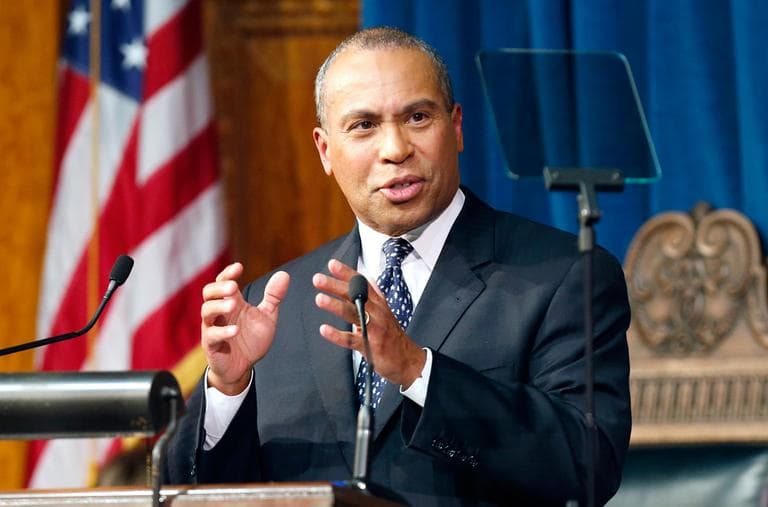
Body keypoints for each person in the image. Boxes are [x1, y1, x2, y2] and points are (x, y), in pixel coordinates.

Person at [165, 27, 631, 506]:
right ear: (325, 150)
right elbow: (207, 495)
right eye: (364, 125)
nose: (395, 148)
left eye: (417, 116)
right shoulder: (278, 304)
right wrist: (228, 389)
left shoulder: (561, 275)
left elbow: (588, 462)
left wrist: (417, 370)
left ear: (456, 127)